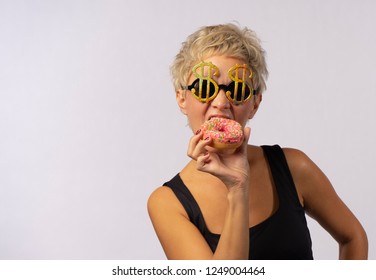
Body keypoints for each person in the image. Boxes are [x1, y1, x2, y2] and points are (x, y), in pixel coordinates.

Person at [147, 23, 368, 260]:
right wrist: (237, 188)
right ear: (182, 98)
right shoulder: (168, 203)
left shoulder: (294, 168)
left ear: (255, 104)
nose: (221, 102)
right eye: (204, 87)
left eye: (238, 90)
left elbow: (353, 236)